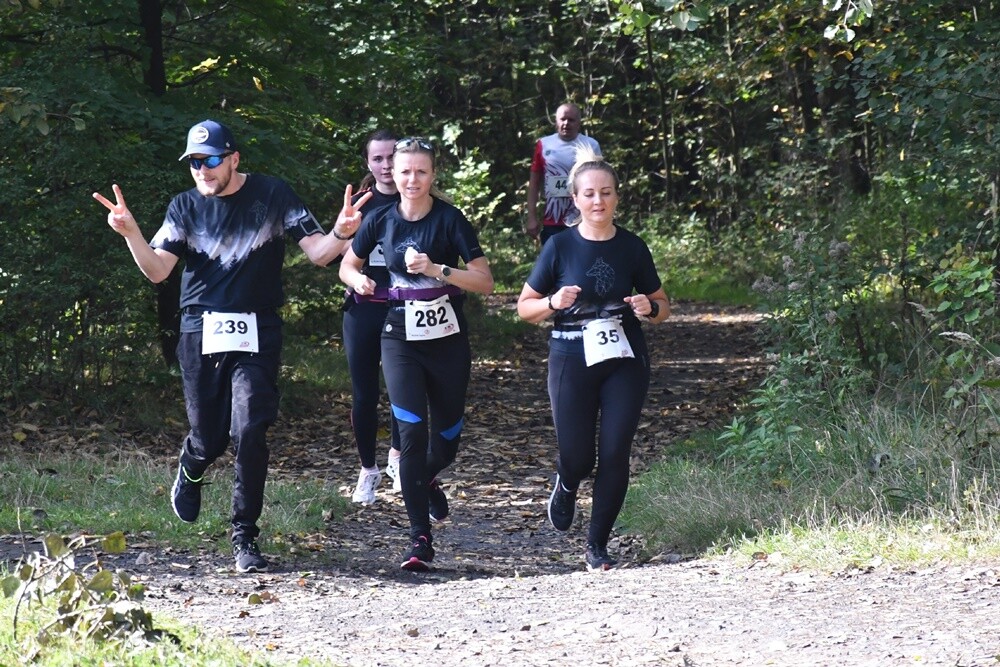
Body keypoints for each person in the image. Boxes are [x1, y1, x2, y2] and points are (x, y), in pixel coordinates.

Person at [93, 119, 369, 573]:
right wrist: (131, 235)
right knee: (210, 436)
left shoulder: (273, 194)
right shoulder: (184, 207)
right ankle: (193, 463)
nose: (202, 170)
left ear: (234, 159)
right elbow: (159, 271)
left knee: (249, 429)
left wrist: (341, 232)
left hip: (258, 329)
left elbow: (320, 253)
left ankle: (245, 536)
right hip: (200, 329)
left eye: (211, 160)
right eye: (194, 163)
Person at [339, 137, 494, 571]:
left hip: (447, 341)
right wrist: (358, 282)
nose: (411, 179)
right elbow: (346, 265)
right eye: (405, 171)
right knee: (410, 438)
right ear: (394, 173)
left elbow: (485, 281)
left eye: (420, 172)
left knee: (446, 442)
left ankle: (425, 478)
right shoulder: (381, 219)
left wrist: (438, 270)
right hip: (399, 339)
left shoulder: (450, 220)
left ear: (432, 176)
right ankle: (418, 540)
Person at [516, 146, 669, 571]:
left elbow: (662, 305)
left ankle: (597, 545)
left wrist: (648, 308)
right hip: (571, 353)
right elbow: (524, 309)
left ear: (617, 197)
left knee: (616, 451)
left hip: (624, 354)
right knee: (579, 456)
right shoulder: (559, 246)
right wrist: (552, 300)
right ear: (575, 199)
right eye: (589, 194)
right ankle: (566, 483)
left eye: (606, 193)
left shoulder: (633, 247)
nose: (598, 201)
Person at [343, 129, 403, 503]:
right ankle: (368, 469)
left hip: (405, 306)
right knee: (364, 395)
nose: (386, 166)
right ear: (368, 163)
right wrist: (356, 276)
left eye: (392, 158)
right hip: (364, 307)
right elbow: (338, 257)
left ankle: (399, 458)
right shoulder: (360, 203)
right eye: (378, 159)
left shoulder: (419, 202)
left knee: (404, 389)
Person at [525, 103, 602, 245]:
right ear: (556, 121)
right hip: (553, 219)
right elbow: (534, 184)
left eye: (571, 120)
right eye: (563, 119)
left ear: (579, 123)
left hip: (584, 219)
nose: (566, 123)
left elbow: (601, 183)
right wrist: (531, 217)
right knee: (554, 265)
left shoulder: (591, 145)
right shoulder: (544, 144)